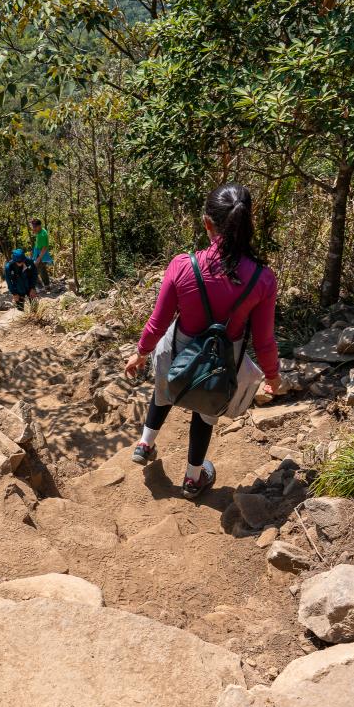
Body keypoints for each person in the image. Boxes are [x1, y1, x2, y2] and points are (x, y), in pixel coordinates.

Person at [125, 184, 282, 500]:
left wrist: (140, 353)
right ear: (247, 222)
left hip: (179, 351)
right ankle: (193, 479)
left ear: (207, 223)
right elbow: (264, 340)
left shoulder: (182, 266)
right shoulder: (262, 278)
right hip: (222, 364)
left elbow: (157, 323)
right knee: (205, 412)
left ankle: (145, 443)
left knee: (163, 389)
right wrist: (273, 375)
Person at [30, 219, 53, 290]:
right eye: (33, 226)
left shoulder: (42, 235)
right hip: (39, 254)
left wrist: (38, 259)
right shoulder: (41, 231)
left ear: (39, 226)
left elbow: (44, 248)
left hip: (41, 256)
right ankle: (46, 285)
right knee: (41, 270)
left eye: (35, 227)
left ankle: (42, 286)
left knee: (37, 270)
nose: (33, 228)